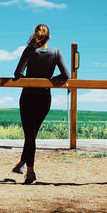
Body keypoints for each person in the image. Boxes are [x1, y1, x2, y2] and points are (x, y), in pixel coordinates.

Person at [12, 24, 69, 184]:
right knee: (31, 135)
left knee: (30, 135)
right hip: (44, 98)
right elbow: (66, 75)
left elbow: (17, 74)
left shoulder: (29, 50)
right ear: (48, 38)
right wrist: (49, 81)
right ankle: (22, 164)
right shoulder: (56, 52)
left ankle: (30, 171)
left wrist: (30, 80)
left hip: (28, 97)